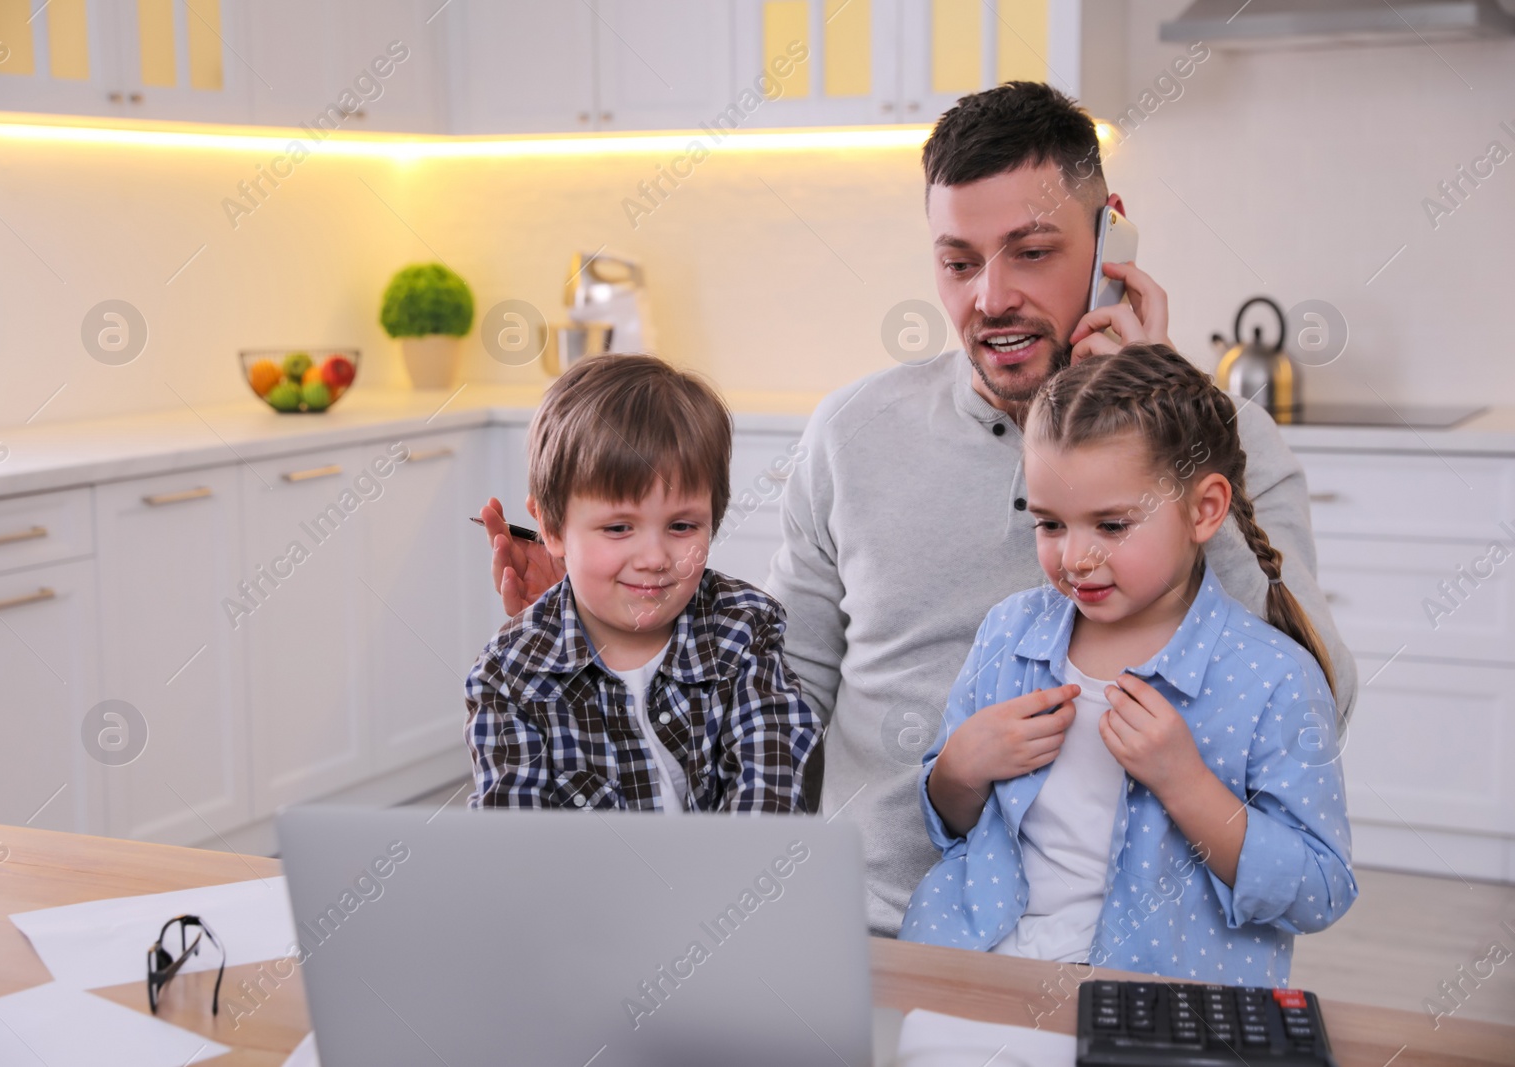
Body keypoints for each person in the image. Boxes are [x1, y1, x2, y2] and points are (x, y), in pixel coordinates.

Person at [480, 82, 1356, 935]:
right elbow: (781, 695)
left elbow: (1317, 704)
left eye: (1033, 251)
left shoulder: (1231, 444)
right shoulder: (852, 432)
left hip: (1129, 946)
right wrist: (609, 632)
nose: (991, 297)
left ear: (1110, 236)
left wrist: (1170, 431)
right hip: (877, 927)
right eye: (959, 261)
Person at [899, 344, 1356, 987]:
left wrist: (1188, 785)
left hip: (1154, 1004)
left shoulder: (1274, 679)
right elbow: (948, 820)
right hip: (972, 966)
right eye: (1051, 525)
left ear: (1204, 510)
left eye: (1112, 526)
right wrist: (959, 767)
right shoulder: (1009, 632)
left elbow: (1319, 891)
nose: (1077, 558)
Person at [465, 354, 819, 812]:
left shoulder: (744, 629)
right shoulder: (509, 674)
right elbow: (510, 843)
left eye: (682, 527)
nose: (655, 559)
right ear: (551, 529)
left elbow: (772, 788)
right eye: (618, 528)